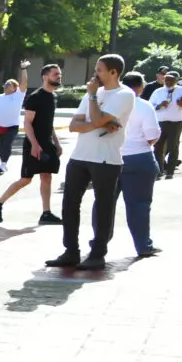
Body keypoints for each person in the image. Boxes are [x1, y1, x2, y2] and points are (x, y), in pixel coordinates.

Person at [48, 54, 133, 270]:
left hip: (106, 158)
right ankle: (71, 251)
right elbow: (74, 125)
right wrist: (101, 122)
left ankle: (97, 254)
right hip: (79, 156)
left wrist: (94, 103)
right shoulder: (91, 93)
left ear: (114, 72)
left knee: (103, 206)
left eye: (100, 70)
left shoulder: (124, 95)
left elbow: (93, 118)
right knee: (69, 204)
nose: (95, 75)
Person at [0, 65, 64, 225]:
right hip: (33, 144)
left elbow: (49, 123)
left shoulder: (53, 96)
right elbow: (27, 123)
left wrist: (56, 143)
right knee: (26, 179)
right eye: (55, 74)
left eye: (60, 74)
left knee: (46, 176)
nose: (59, 76)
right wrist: (35, 145)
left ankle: (46, 213)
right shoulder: (35, 97)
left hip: (47, 143)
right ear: (45, 76)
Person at [115, 72, 162, 258]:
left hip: (111, 157)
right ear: (140, 87)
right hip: (139, 157)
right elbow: (152, 136)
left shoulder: (109, 102)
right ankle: (143, 246)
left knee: (104, 205)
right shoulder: (143, 105)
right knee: (139, 205)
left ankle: (97, 246)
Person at [150, 69, 182, 178]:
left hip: (176, 123)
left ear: (175, 81)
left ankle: (170, 171)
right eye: (166, 80)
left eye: (170, 81)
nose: (168, 82)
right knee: (158, 147)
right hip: (160, 122)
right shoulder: (158, 92)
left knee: (173, 147)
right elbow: (150, 106)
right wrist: (159, 105)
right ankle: (159, 171)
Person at [0, 78, 26, 174]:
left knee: (7, 144)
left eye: (9, 84)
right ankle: (3, 163)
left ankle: (3, 164)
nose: (6, 85)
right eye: (6, 83)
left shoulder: (18, 96)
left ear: (15, 88)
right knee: (1, 147)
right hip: (0, 127)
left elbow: (24, 82)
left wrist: (24, 69)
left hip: (12, 127)